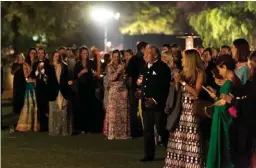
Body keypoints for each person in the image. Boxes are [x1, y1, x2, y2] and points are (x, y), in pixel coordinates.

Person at [164, 49, 205, 167]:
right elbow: (178, 91)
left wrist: (182, 82)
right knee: (178, 138)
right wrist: (176, 82)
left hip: (191, 110)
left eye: (183, 58)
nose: (181, 60)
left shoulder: (199, 73)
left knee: (191, 138)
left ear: (190, 60)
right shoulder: (182, 72)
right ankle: (177, 164)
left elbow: (196, 93)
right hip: (180, 109)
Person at [139, 44, 170, 162]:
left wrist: (155, 99)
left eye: (148, 54)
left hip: (157, 104)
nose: (145, 56)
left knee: (161, 128)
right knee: (147, 129)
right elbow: (143, 82)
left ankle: (170, 149)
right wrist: (141, 92)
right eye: (145, 53)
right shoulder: (144, 67)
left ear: (156, 55)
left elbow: (163, 86)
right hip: (146, 103)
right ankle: (149, 154)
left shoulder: (163, 67)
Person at [206, 55, 236, 168]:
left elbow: (226, 103)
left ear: (225, 67)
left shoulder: (229, 83)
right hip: (219, 116)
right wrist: (215, 96)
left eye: (220, 68)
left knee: (222, 145)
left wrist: (217, 96)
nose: (219, 71)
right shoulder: (228, 81)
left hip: (222, 119)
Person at [104, 50, 130, 140]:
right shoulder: (109, 66)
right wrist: (119, 70)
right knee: (113, 113)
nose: (116, 58)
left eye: (117, 56)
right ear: (112, 57)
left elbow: (125, 77)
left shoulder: (123, 65)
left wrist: (124, 76)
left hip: (123, 91)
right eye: (114, 56)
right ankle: (112, 134)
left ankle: (122, 134)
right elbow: (111, 78)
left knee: (122, 113)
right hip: (113, 92)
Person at [127, 41, 148, 138]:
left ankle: (136, 131)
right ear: (142, 49)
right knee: (138, 109)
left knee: (135, 109)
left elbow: (130, 75)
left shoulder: (133, 59)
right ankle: (139, 130)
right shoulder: (141, 59)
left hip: (135, 87)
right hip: (139, 87)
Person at [48, 51, 71, 136]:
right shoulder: (49, 67)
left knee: (63, 112)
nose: (57, 57)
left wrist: (69, 82)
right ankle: (54, 131)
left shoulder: (64, 66)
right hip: (53, 91)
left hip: (63, 91)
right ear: (53, 57)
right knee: (53, 112)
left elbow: (67, 77)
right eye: (55, 56)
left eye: (58, 56)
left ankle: (64, 131)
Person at [16, 48, 39, 132]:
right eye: (31, 53)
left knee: (37, 104)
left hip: (37, 84)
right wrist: (32, 69)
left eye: (34, 53)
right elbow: (26, 75)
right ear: (29, 54)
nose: (33, 54)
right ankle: (27, 125)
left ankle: (36, 125)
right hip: (30, 84)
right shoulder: (25, 63)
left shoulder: (38, 62)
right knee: (30, 104)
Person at [31, 48, 51, 132]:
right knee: (40, 107)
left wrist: (43, 72)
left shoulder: (48, 63)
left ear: (44, 54)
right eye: (39, 53)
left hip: (46, 87)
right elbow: (32, 75)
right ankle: (42, 126)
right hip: (39, 87)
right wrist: (37, 71)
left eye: (42, 53)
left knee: (47, 106)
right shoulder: (35, 63)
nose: (40, 54)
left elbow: (50, 74)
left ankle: (48, 125)